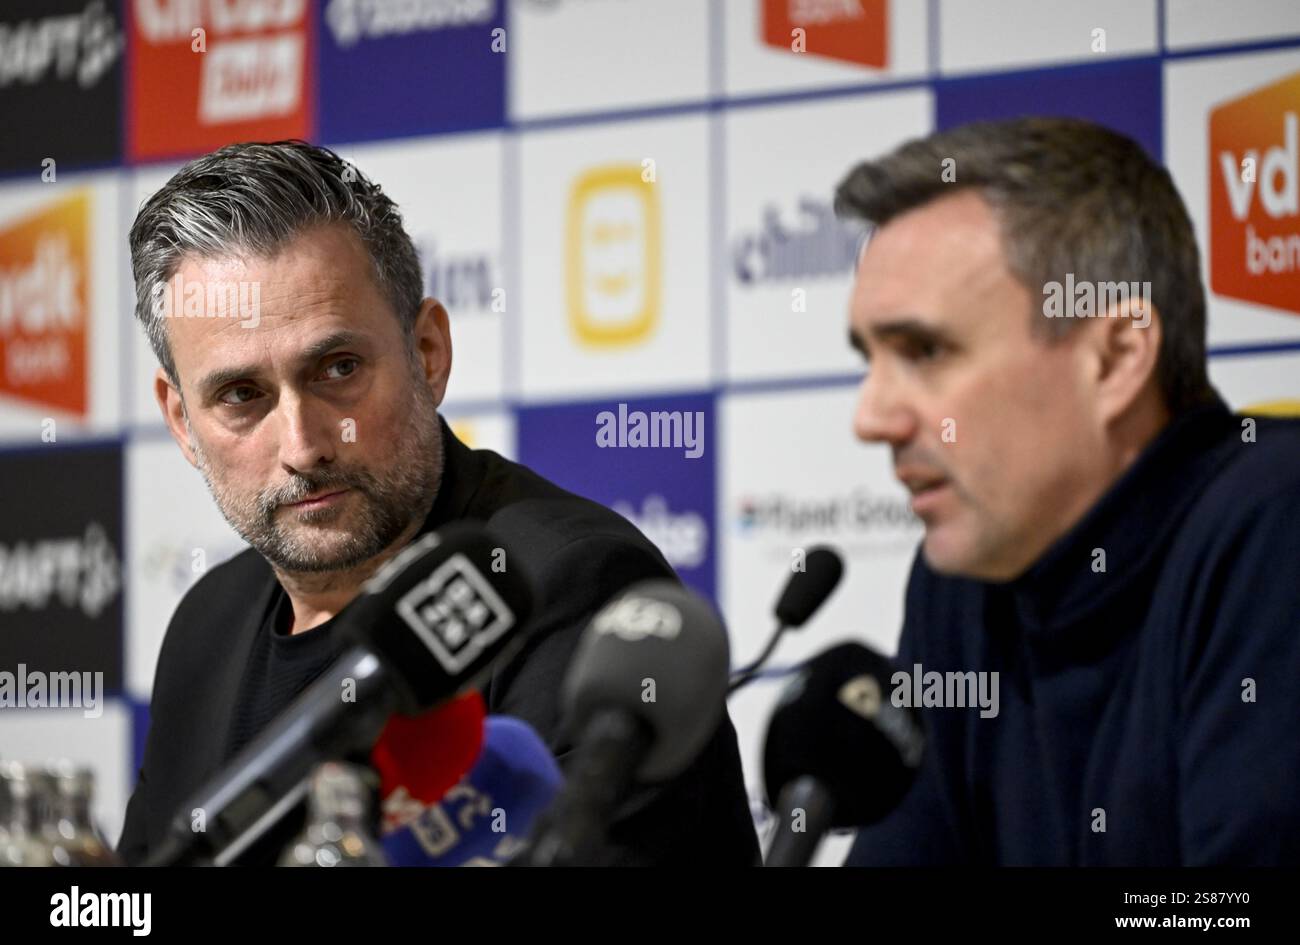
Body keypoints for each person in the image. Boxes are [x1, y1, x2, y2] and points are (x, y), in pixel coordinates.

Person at [117, 140, 758, 866]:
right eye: (241, 396)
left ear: (427, 352)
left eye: (338, 369)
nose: (303, 445)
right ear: (181, 422)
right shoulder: (209, 621)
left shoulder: (565, 587)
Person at [838, 117, 1300, 864]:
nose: (870, 419)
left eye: (924, 350)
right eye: (869, 358)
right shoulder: (965, 579)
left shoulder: (1273, 524)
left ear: (1115, 359)